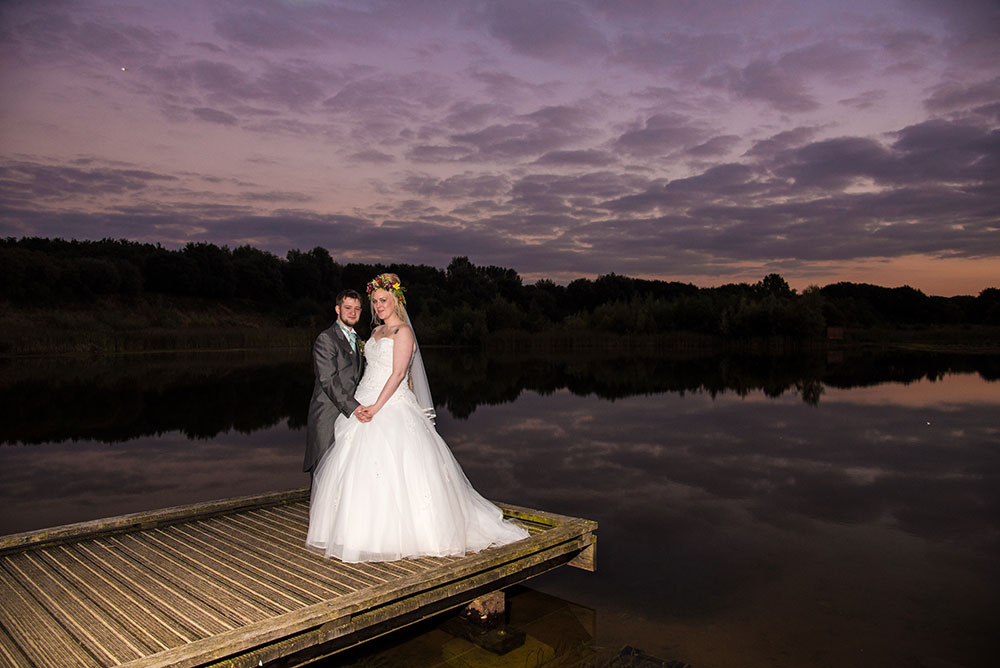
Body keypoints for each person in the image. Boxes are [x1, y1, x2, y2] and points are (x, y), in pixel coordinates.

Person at [306, 273, 529, 562]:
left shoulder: (403, 332)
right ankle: (355, 532)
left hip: (388, 404)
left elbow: (398, 374)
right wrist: (361, 404)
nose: (378, 306)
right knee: (353, 466)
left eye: (382, 300)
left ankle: (404, 534)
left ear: (396, 300)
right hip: (362, 401)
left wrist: (375, 407)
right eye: (374, 302)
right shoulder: (373, 334)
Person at [304, 289, 370, 478]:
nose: (353, 312)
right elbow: (328, 380)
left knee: (344, 474)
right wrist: (355, 408)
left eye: (357, 309)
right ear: (337, 309)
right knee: (323, 474)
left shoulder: (358, 340)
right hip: (328, 415)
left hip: (350, 418)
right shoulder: (326, 339)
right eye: (348, 307)